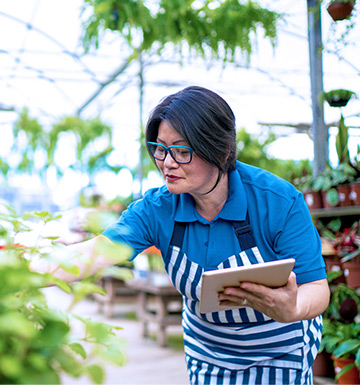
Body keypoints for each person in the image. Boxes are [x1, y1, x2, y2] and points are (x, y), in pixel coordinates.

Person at [31, 86, 330, 384]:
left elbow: (316, 287)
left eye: (182, 151)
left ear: (222, 151)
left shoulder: (277, 201)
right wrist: (20, 274)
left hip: (278, 347)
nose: (167, 163)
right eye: (161, 148)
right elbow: (95, 252)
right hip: (209, 349)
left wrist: (293, 308)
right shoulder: (158, 209)